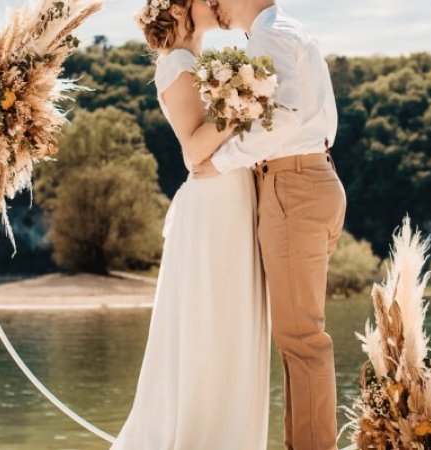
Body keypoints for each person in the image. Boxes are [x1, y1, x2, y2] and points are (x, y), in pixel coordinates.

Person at [111, 0, 270, 449]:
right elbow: (195, 149)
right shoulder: (176, 64)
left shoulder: (198, 62)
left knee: (230, 327)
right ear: (181, 9)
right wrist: (245, 100)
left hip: (232, 201)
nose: (218, 4)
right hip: (213, 209)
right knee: (211, 328)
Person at [194, 1, 347, 449]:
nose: (215, 4)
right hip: (312, 179)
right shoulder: (290, 31)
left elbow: (285, 115)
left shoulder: (271, 36)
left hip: (292, 187)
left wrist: (222, 162)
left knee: (302, 340)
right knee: (296, 338)